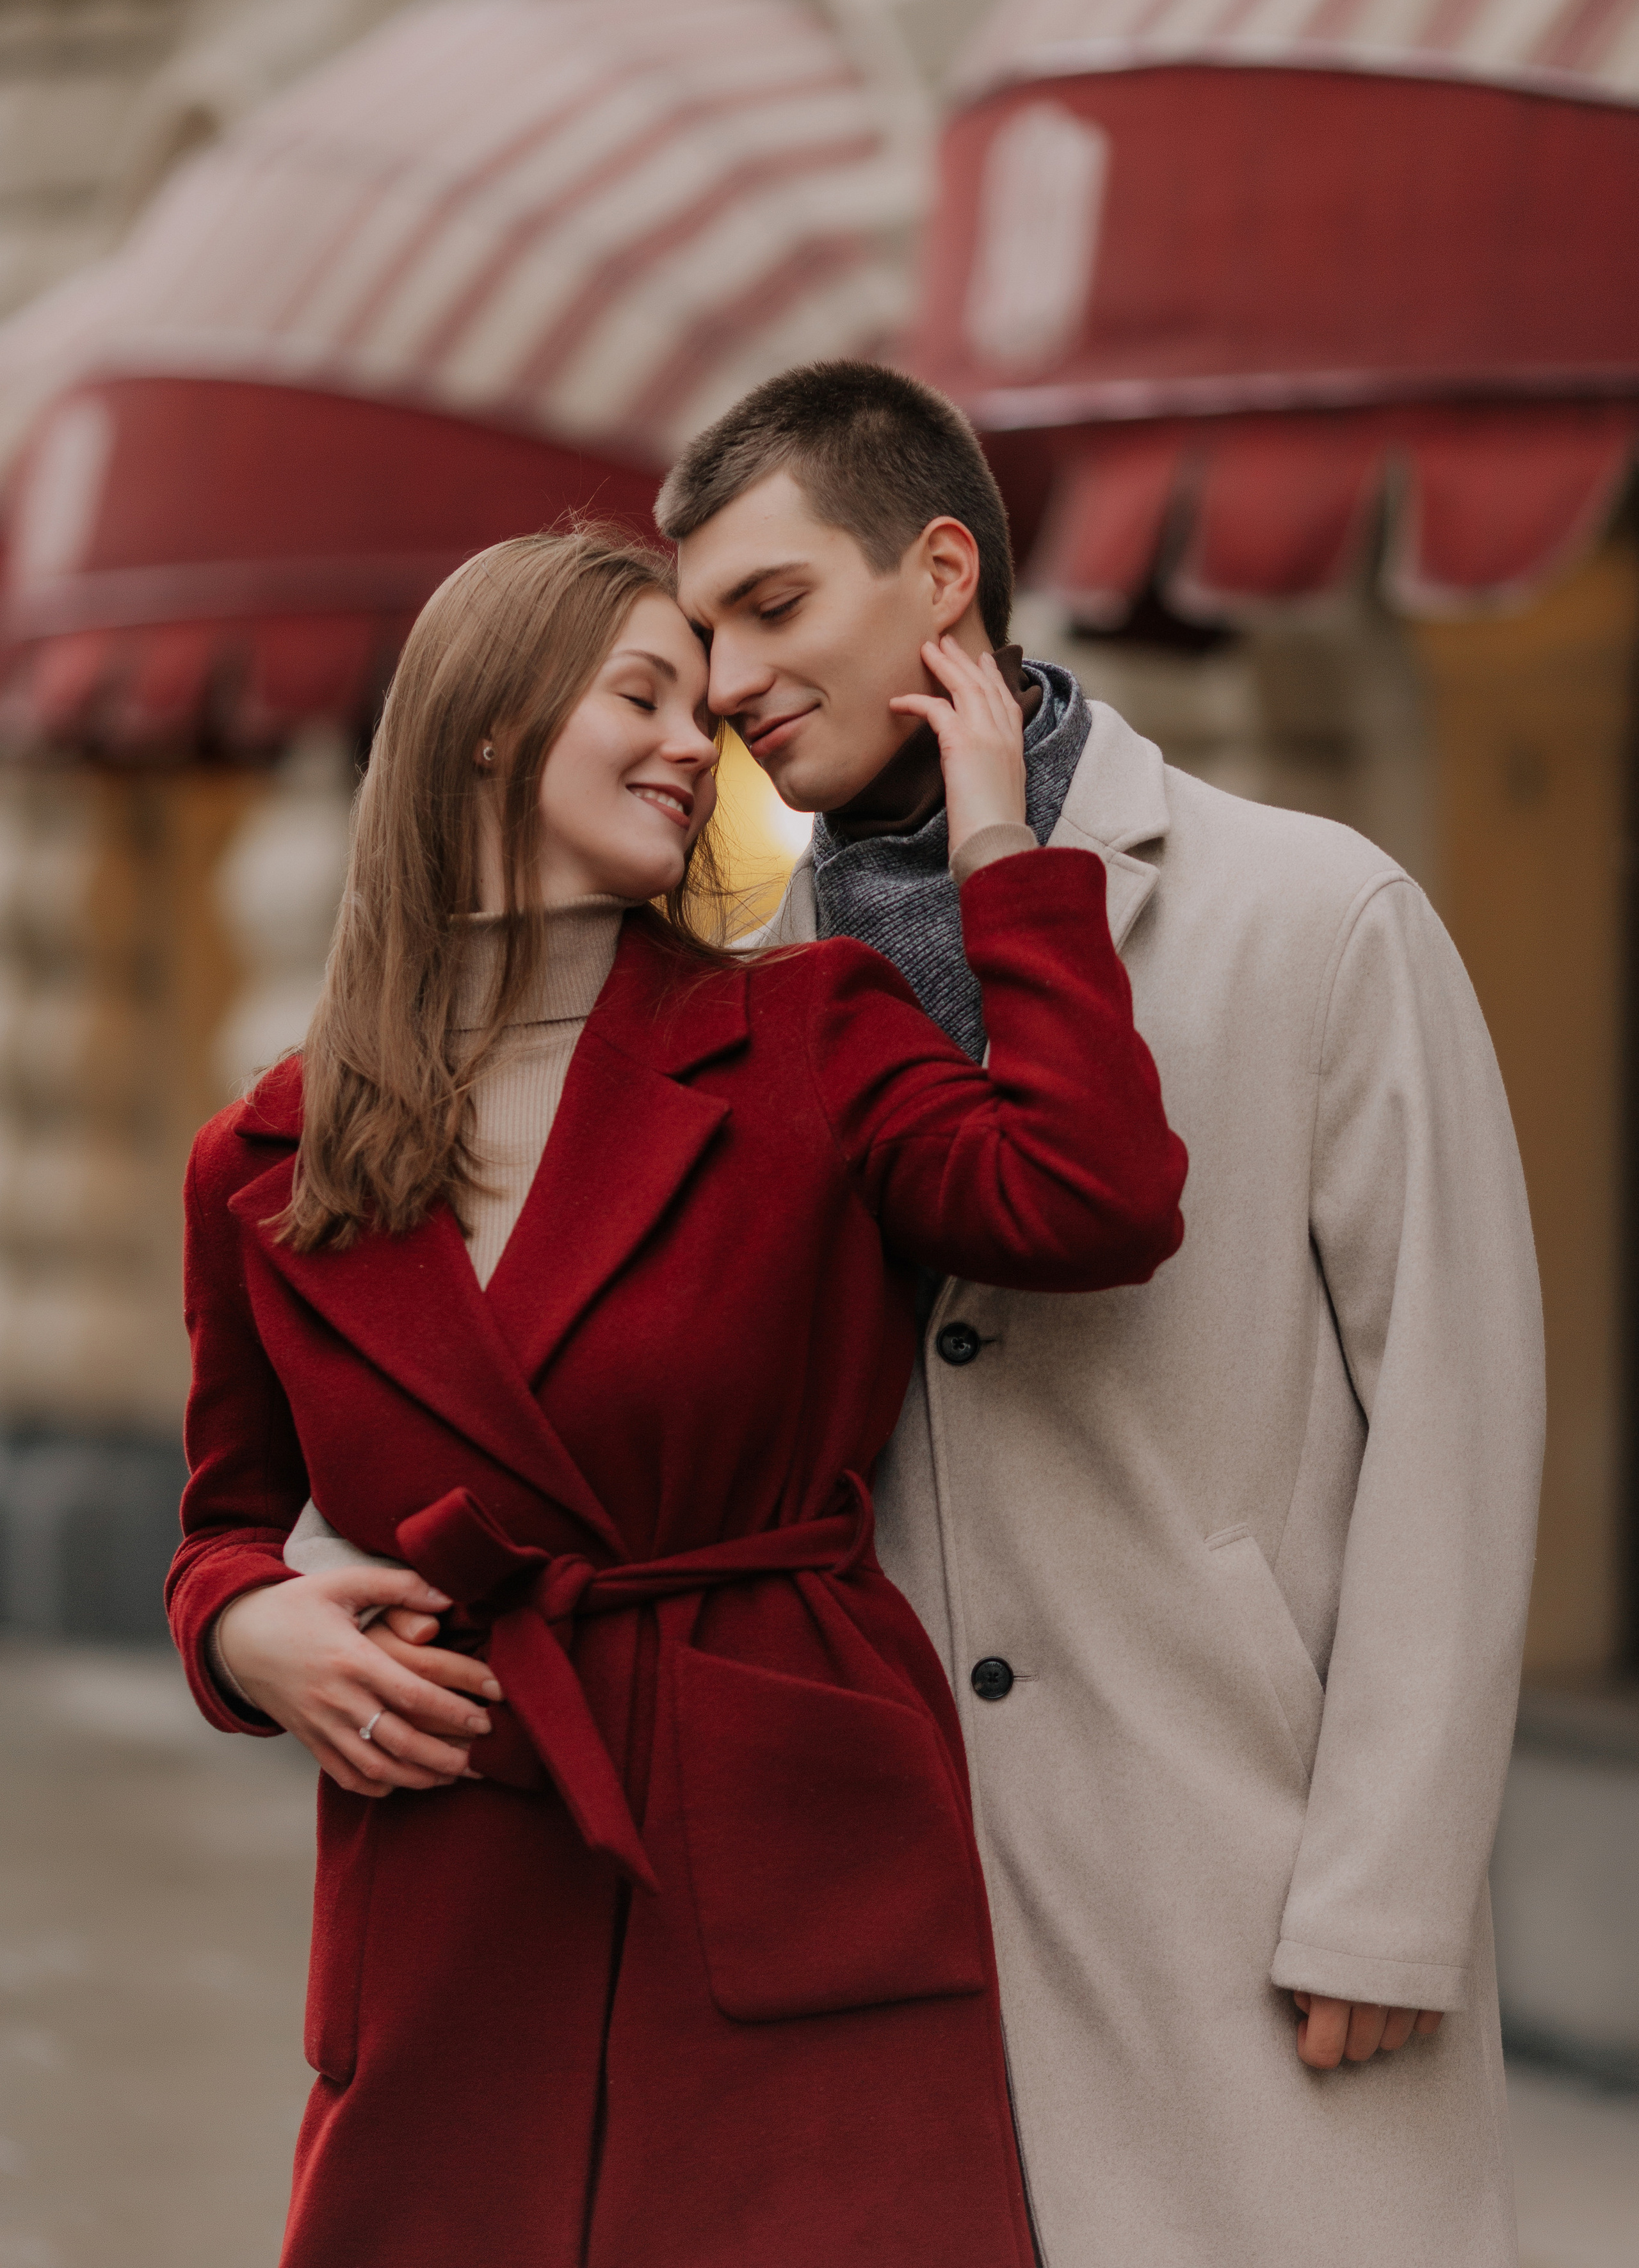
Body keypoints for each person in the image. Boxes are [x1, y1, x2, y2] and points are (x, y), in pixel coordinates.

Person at [166, 527, 1187, 2268]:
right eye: (639, 695)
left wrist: (1002, 846)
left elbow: (1090, 1201)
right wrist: (249, 1637)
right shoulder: (267, 1159)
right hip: (458, 1873)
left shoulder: (813, 1031)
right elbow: (222, 1530)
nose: (691, 743)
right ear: (488, 731)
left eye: (698, 715)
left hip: (787, 1837)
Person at [648, 362, 1543, 2268]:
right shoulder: (740, 993)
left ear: (944, 573)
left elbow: (1459, 1425)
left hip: (1246, 1877)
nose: (725, 681)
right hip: (886, 1924)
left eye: (774, 606)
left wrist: (1384, 1892)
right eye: (703, 631)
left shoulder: (1316, 913)